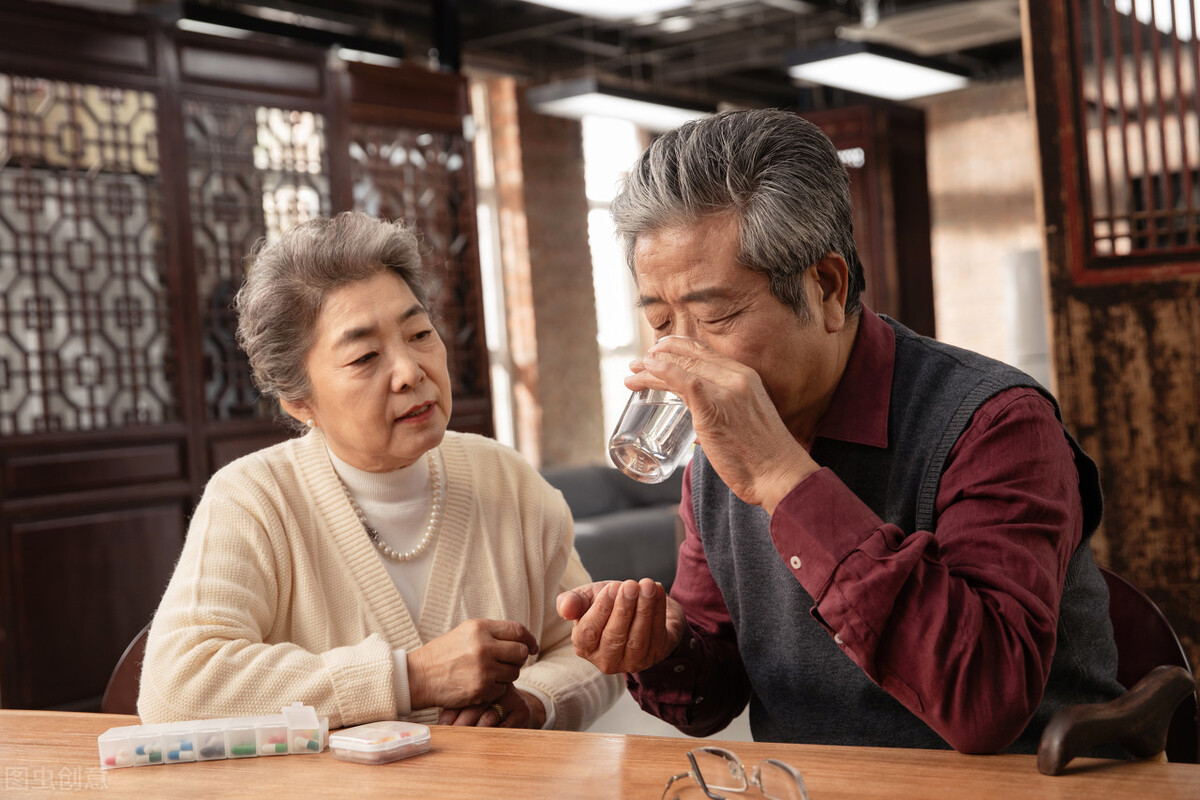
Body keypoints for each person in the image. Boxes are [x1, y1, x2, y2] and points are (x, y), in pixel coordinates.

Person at [556, 108, 1122, 754]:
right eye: (660, 322)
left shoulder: (996, 423)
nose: (684, 360)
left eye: (716, 316)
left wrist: (783, 478)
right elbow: (713, 694)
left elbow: (985, 701)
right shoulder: (712, 456)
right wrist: (660, 647)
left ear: (826, 286)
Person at [139, 211, 619, 731]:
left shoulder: (504, 477)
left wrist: (535, 702)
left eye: (418, 333)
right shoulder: (253, 498)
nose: (411, 371)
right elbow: (178, 687)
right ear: (300, 401)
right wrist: (410, 678)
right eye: (366, 356)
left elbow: (586, 646)